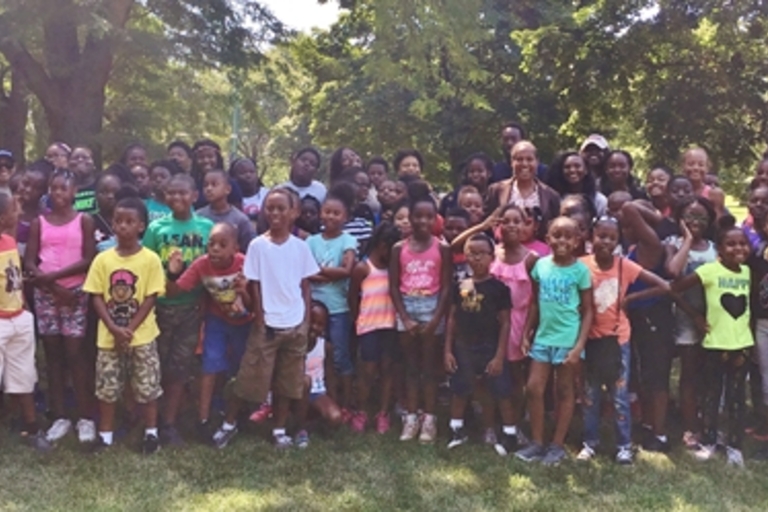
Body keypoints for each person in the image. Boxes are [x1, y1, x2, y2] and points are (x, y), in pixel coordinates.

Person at [226, 188, 319, 448]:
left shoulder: (300, 247)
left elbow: (305, 286)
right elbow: (253, 284)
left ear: (294, 212)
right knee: (249, 379)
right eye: (270, 208)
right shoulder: (258, 245)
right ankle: (229, 423)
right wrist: (259, 317)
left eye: (281, 208)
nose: (275, 213)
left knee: (288, 382)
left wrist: (306, 319)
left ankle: (279, 429)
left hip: (295, 322)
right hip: (266, 324)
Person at [577, 216, 670, 465]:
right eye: (601, 236)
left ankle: (624, 445)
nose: (605, 241)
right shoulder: (580, 266)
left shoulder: (625, 267)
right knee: (590, 394)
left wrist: (631, 299)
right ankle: (590, 441)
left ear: (619, 241)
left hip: (618, 340)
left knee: (619, 395)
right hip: (589, 340)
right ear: (591, 237)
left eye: (612, 237)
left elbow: (664, 286)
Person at [83, 197, 164, 454]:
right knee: (107, 389)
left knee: (147, 387)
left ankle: (152, 433)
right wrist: (114, 329)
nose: (123, 226)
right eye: (118, 221)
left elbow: (151, 297)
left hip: (142, 337)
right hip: (108, 338)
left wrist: (129, 329)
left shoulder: (150, 260)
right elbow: (96, 295)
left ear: (141, 226)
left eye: (130, 222)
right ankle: (105, 436)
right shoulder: (103, 259)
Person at [672, 216, 753, 468]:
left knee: (736, 397)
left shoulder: (748, 271)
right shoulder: (708, 271)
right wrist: (695, 315)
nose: (738, 248)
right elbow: (674, 288)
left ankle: (735, 445)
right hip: (714, 344)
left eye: (742, 244)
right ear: (719, 249)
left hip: (742, 344)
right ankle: (709, 441)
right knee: (711, 394)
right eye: (731, 244)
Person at [25, 168, 96, 444]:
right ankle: (60, 416)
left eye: (63, 188)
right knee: (53, 355)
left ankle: (86, 417)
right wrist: (52, 287)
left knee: (76, 354)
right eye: (53, 188)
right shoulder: (39, 223)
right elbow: (31, 262)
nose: (57, 193)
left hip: (75, 294)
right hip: (46, 295)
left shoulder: (84, 220)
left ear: (74, 191)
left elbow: (89, 258)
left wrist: (54, 279)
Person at [515, 216, 594, 465]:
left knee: (564, 390)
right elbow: (535, 303)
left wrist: (579, 345)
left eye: (568, 236)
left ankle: (557, 445)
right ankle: (537, 442)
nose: (562, 240)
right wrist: (528, 331)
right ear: (547, 239)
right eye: (556, 235)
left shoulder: (581, 270)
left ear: (577, 241)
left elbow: (589, 310)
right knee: (534, 388)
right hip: (543, 338)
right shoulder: (540, 266)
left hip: (568, 340)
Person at [142, 173, 214, 444]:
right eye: (171, 193)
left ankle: (169, 423)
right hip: (159, 308)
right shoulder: (156, 229)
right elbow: (147, 266)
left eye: (183, 193)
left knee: (179, 367)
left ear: (195, 196)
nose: (177, 198)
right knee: (154, 365)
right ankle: (149, 420)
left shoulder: (207, 227)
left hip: (191, 309)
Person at [167, 223, 253, 447]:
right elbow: (175, 290)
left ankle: (237, 415)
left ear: (235, 247)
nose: (215, 249)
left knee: (240, 370)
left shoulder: (245, 263)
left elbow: (256, 300)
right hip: (217, 320)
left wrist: (244, 292)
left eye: (222, 245)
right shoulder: (202, 265)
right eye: (211, 244)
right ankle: (203, 420)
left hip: (245, 323)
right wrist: (172, 272)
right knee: (210, 366)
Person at [444, 233, 518, 455]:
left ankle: (509, 434)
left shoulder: (499, 288)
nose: (476, 259)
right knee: (460, 389)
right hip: (463, 347)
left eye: (481, 254)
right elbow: (452, 319)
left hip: (490, 346)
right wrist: (448, 350)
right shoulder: (461, 285)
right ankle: (457, 431)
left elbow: (505, 323)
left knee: (500, 390)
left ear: (491, 256)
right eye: (471, 254)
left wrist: (499, 355)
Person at [390, 181, 452, 443]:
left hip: (432, 307)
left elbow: (448, 286)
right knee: (410, 366)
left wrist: (436, 318)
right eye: (418, 216)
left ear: (435, 218)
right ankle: (411, 417)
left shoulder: (442, 248)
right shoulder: (398, 248)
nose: (423, 221)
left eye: (429, 216)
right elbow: (393, 285)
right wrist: (404, 317)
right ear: (410, 218)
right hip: (407, 307)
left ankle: (429, 419)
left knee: (429, 367)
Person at [0, 193, 52, 451]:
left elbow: (14, 278)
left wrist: (24, 308)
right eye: (13, 209)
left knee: (24, 375)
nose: (18, 211)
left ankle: (31, 427)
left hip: (18, 317)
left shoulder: (9, 241)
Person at [664, 197, 717, 449]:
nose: (696, 222)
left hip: (711, 320)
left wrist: (704, 317)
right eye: (690, 217)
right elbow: (673, 274)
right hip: (683, 318)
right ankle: (689, 427)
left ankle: (706, 419)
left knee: (704, 374)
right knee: (687, 375)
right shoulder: (673, 244)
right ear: (680, 219)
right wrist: (687, 240)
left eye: (701, 218)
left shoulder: (714, 249)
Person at [307, 184, 358, 417]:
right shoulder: (311, 241)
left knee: (339, 356)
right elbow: (305, 273)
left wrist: (319, 271)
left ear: (345, 217)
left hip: (338, 308)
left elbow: (347, 270)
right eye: (327, 211)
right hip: (314, 307)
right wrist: (329, 271)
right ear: (321, 213)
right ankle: (321, 399)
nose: (331, 216)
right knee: (317, 355)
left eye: (337, 213)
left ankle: (345, 402)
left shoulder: (348, 240)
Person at [489, 205, 538, 450]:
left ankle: (515, 424)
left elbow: (536, 300)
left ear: (524, 225)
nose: (510, 226)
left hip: (518, 323)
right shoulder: (492, 254)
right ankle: (495, 423)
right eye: (505, 221)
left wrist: (528, 330)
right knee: (493, 373)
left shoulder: (531, 259)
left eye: (516, 221)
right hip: (492, 322)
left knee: (516, 376)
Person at [348, 222, 401, 433]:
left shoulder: (395, 269)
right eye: (387, 247)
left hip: (390, 325)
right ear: (379, 244)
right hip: (369, 325)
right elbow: (352, 297)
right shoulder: (363, 268)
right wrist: (357, 319)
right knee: (368, 370)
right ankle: (361, 410)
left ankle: (383, 412)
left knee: (387, 369)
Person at [485, 141, 561, 240]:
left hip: (541, 252)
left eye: (529, 159)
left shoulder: (551, 195)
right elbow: (487, 226)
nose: (524, 164)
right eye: (519, 159)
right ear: (512, 162)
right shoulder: (496, 190)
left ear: (537, 162)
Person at [293, 301, 343, 448]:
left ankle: (310, 423)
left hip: (316, 392)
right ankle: (300, 430)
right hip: (295, 392)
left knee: (335, 417)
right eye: (312, 322)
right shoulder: (293, 345)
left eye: (320, 324)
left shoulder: (325, 347)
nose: (315, 327)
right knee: (305, 381)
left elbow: (330, 376)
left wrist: (332, 400)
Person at [196, 169, 255, 253]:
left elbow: (249, 249)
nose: (209, 189)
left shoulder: (240, 220)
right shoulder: (198, 216)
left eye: (214, 184)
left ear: (227, 189)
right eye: (205, 185)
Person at [546, 151, 607, 217]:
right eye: (567, 167)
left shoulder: (599, 200)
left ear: (586, 170)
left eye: (577, 166)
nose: (572, 170)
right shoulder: (555, 198)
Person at [191, 139, 243, 209]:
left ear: (218, 158)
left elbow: (237, 211)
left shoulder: (230, 183)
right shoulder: (191, 184)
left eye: (210, 156)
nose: (206, 160)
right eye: (201, 157)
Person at [15, 160, 51, 258]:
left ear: (44, 192)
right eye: (25, 183)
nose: (28, 190)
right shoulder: (5, 209)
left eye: (37, 188)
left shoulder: (47, 217)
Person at [681, 147, 725, 216]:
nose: (696, 168)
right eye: (691, 164)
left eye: (701, 165)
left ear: (707, 168)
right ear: (683, 166)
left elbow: (719, 223)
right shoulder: (676, 193)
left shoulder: (715, 194)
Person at [229, 157, 268, 229]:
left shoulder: (267, 194)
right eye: (242, 173)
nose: (248, 175)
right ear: (233, 177)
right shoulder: (230, 198)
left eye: (252, 172)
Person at [92, 173, 123, 252]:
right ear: (96, 195)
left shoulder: (130, 219)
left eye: (115, 192)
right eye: (104, 192)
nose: (110, 196)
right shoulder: (90, 222)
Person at [67, 146, 99, 214]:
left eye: (85, 157)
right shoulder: (64, 189)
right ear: (68, 164)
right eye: (75, 158)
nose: (80, 160)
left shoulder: (101, 185)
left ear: (93, 164)